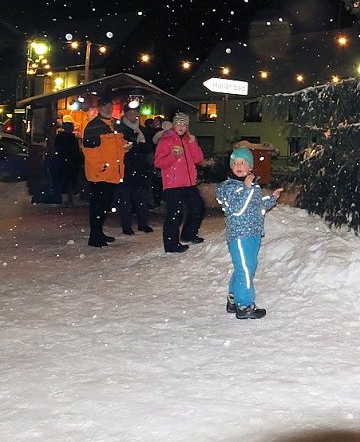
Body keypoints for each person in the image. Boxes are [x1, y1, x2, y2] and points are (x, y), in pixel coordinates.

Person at [216, 147, 282, 320]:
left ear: (250, 166)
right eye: (235, 163)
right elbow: (237, 209)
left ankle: (233, 298)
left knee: (246, 269)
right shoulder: (227, 187)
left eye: (242, 162)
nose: (238, 165)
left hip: (253, 233)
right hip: (239, 235)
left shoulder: (251, 185)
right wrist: (246, 188)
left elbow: (257, 206)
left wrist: (272, 198)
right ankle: (244, 305)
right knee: (245, 270)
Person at [153, 112, 206, 253]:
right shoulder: (166, 140)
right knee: (175, 214)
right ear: (173, 125)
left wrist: (193, 143)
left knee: (198, 207)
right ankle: (171, 245)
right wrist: (173, 156)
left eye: (184, 124)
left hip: (189, 183)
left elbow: (198, 159)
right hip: (173, 184)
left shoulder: (189, 140)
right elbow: (158, 162)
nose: (181, 126)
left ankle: (188, 235)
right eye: (178, 123)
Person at [82, 95, 127, 248]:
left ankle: (98, 232)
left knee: (104, 205)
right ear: (99, 108)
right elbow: (89, 152)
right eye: (105, 106)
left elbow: (116, 148)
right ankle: (94, 236)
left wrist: (126, 147)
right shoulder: (94, 126)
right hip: (100, 175)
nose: (108, 108)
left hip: (112, 174)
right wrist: (102, 167)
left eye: (110, 105)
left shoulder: (114, 124)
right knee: (98, 206)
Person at [115, 106, 154, 235]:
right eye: (131, 113)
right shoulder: (120, 129)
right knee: (125, 199)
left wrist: (141, 145)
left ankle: (143, 224)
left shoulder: (142, 130)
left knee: (141, 198)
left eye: (136, 113)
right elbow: (119, 148)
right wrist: (133, 144)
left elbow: (148, 149)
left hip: (140, 169)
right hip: (125, 169)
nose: (134, 116)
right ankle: (126, 226)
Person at [52, 120, 82, 207]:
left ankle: (64, 200)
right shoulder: (73, 138)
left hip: (62, 162)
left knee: (63, 181)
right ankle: (69, 200)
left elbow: (57, 149)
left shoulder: (59, 137)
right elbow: (76, 152)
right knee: (70, 182)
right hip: (71, 163)